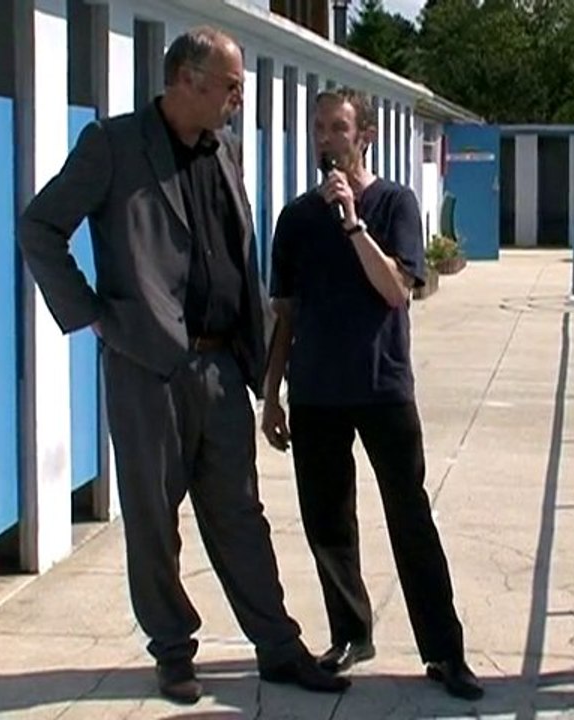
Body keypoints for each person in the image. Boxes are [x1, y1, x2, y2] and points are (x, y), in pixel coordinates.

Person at [18, 26, 348, 705]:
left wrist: (265, 363)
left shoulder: (224, 149)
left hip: (222, 364)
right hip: (148, 369)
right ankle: (172, 651)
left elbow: (236, 253)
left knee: (241, 514)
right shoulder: (113, 145)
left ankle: (278, 647)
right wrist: (95, 315)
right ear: (189, 80)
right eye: (231, 86)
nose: (238, 99)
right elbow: (40, 227)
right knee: (153, 520)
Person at [261, 87, 483, 701]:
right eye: (318, 128)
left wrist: (353, 222)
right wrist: (272, 393)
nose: (326, 139)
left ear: (365, 136)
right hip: (315, 392)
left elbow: (395, 291)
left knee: (409, 518)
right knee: (327, 522)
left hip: (382, 387)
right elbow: (286, 313)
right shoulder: (295, 219)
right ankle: (350, 633)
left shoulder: (395, 203)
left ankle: (444, 651)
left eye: (338, 127)